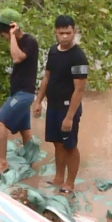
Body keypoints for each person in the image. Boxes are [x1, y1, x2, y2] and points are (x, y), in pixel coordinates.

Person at [33, 15, 88, 193]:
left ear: (74, 32)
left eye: (68, 33)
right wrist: (38, 100)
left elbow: (79, 90)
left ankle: (70, 183)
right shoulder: (53, 51)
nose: (64, 37)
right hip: (53, 105)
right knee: (57, 143)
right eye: (61, 33)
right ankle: (58, 177)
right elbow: (47, 77)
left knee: (70, 145)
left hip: (68, 107)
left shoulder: (78, 57)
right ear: (55, 32)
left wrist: (70, 117)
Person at [0, 9, 39, 180]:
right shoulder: (19, 41)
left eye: (4, 34)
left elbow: (17, 58)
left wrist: (12, 36)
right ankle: (30, 162)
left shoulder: (30, 42)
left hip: (24, 94)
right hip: (18, 92)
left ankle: (2, 161)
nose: (4, 38)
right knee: (25, 130)